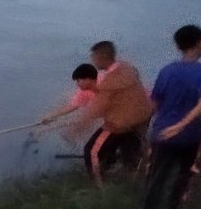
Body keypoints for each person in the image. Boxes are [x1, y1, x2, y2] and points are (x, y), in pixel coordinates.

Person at [142, 24, 201, 209]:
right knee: (181, 178)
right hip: (190, 135)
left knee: (156, 178)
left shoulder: (167, 71)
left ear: (178, 46)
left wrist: (145, 130)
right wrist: (181, 125)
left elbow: (154, 104)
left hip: (162, 134)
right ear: (199, 44)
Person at [63, 41, 153, 186]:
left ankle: (100, 188)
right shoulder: (127, 67)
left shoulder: (108, 84)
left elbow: (94, 111)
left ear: (101, 58)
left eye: (94, 57)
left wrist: (74, 130)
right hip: (142, 119)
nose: (93, 61)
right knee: (131, 154)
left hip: (120, 125)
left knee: (91, 151)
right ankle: (140, 182)